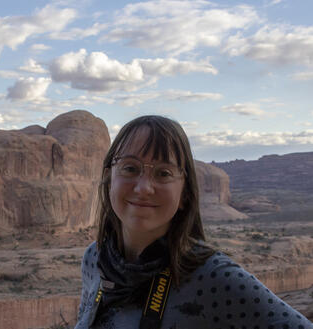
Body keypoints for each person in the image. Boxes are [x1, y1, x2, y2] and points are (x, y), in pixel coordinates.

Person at [75, 115, 312, 329]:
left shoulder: (213, 276)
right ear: (108, 178)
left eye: (163, 173)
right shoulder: (95, 259)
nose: (144, 188)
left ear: (184, 194)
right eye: (130, 168)